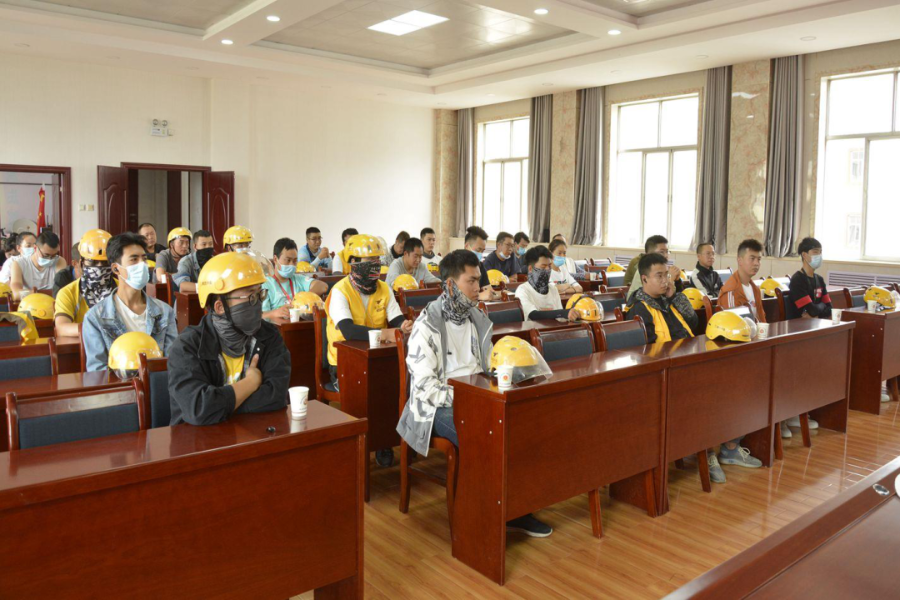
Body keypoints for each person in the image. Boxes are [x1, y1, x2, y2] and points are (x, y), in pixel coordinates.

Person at [397, 249, 553, 537]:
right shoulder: (426, 325)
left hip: (477, 396)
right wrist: (471, 398)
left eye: (478, 280)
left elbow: (490, 365)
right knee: (485, 433)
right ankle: (482, 513)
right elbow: (425, 388)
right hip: (434, 407)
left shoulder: (477, 319)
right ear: (450, 285)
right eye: (470, 281)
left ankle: (515, 507)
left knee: (522, 424)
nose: (477, 287)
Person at [168, 251, 291, 425]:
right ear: (220, 307)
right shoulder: (187, 346)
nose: (258, 304)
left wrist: (218, 406)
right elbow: (198, 408)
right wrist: (251, 382)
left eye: (260, 294)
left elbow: (276, 396)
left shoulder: (269, 336)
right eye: (251, 296)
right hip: (197, 438)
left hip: (253, 433)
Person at [325, 234, 412, 466]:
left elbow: (396, 320)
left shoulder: (383, 288)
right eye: (369, 262)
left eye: (377, 261)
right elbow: (348, 330)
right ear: (353, 262)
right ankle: (360, 446)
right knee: (371, 393)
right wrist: (386, 334)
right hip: (343, 363)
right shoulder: (340, 291)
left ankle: (384, 441)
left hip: (379, 359)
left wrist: (404, 326)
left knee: (396, 388)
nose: (375, 267)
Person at [82, 232, 177, 371]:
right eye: (134, 259)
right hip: (118, 384)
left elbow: (173, 363)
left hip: (158, 381)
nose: (142, 265)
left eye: (144, 259)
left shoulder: (165, 311)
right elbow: (98, 371)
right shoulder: (95, 317)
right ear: (116, 268)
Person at [782, 237, 832, 436]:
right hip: (798, 334)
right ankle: (794, 413)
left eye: (820, 252)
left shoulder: (819, 280)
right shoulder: (798, 280)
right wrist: (817, 309)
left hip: (815, 331)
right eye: (815, 252)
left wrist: (816, 310)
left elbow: (828, 308)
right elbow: (810, 309)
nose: (818, 256)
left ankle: (805, 410)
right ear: (804, 255)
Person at [54, 230, 117, 337]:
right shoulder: (68, 292)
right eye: (92, 262)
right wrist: (99, 329)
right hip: (83, 344)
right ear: (81, 263)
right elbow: (62, 328)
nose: (99, 267)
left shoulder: (122, 289)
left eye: (105, 262)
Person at [626, 253, 697, 344]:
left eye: (666, 275)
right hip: (667, 351)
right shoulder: (639, 308)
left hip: (687, 347)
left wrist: (674, 297)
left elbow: (693, 324)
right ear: (644, 279)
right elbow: (647, 346)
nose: (665, 280)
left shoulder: (668, 298)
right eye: (659, 276)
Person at [261, 237, 328, 320]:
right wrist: (274, 313)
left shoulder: (298, 279)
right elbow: (260, 315)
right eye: (288, 260)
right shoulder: (266, 284)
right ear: (275, 259)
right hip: (278, 326)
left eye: (295, 261)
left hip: (301, 324)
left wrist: (302, 299)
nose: (292, 264)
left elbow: (323, 286)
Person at [515, 246, 582, 323]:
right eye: (543, 266)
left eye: (549, 266)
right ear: (530, 269)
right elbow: (533, 315)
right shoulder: (522, 290)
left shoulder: (553, 289)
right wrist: (563, 313)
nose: (548, 269)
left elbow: (561, 320)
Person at [718, 239, 766, 323]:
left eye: (759, 259)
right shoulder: (731, 291)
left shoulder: (755, 289)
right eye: (752, 258)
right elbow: (732, 324)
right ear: (740, 260)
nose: (756, 263)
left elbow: (762, 320)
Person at [9, 231, 66, 298]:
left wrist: (34, 292)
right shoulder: (18, 264)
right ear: (35, 248)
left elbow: (63, 290)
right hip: (28, 303)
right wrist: (38, 293)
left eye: (54, 255)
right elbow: (16, 294)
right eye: (46, 255)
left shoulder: (59, 261)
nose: (50, 259)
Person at [463, 226, 499, 301]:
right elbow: (453, 296)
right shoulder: (455, 265)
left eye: (482, 251)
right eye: (478, 250)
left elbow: (489, 291)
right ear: (467, 246)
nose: (480, 254)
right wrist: (478, 296)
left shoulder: (480, 266)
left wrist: (504, 293)